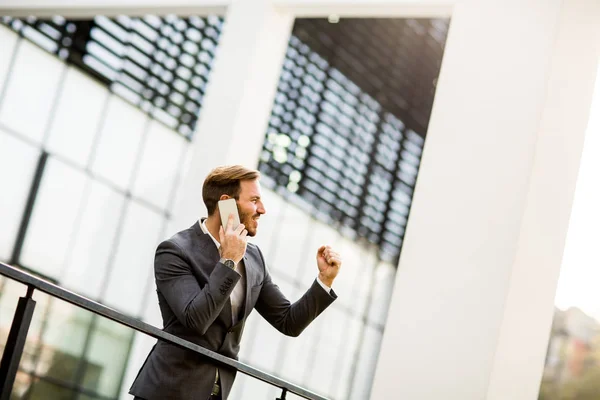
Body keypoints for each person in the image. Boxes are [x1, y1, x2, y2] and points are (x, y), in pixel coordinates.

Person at [129, 165, 342, 400]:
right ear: (226, 203)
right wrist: (228, 261)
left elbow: (288, 322)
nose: (262, 209)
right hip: (168, 391)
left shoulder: (254, 258)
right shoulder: (175, 251)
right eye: (254, 200)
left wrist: (324, 280)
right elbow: (195, 320)